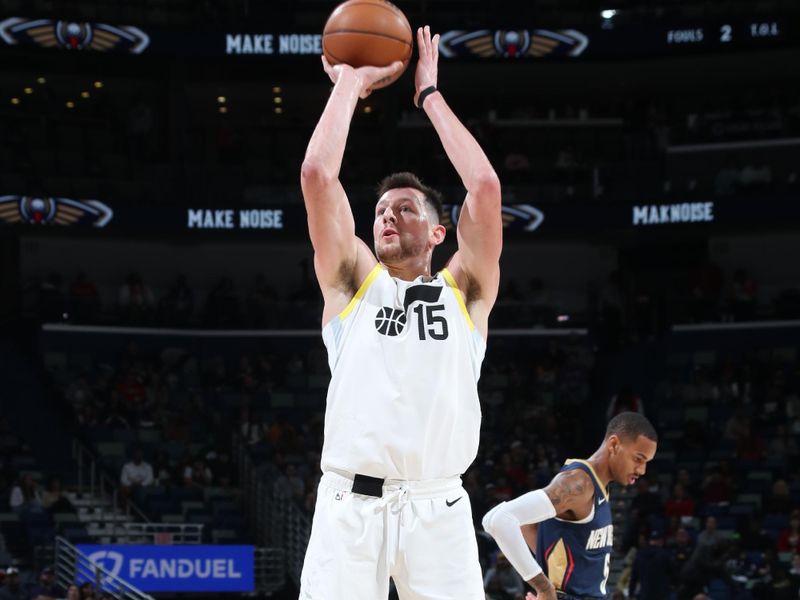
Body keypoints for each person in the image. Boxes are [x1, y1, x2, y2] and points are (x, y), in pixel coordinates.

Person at [298, 25, 502, 600]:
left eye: (406, 208)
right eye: (382, 210)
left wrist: (428, 96)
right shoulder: (353, 286)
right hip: (349, 506)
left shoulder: (464, 293)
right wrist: (349, 82)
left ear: (438, 231)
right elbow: (317, 176)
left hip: (438, 506)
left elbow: (484, 187)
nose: (388, 216)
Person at [482, 412, 658, 600]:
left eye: (646, 462)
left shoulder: (596, 487)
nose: (642, 470)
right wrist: (544, 588)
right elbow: (498, 521)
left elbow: (527, 526)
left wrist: (550, 569)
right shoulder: (579, 484)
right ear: (614, 445)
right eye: (638, 459)